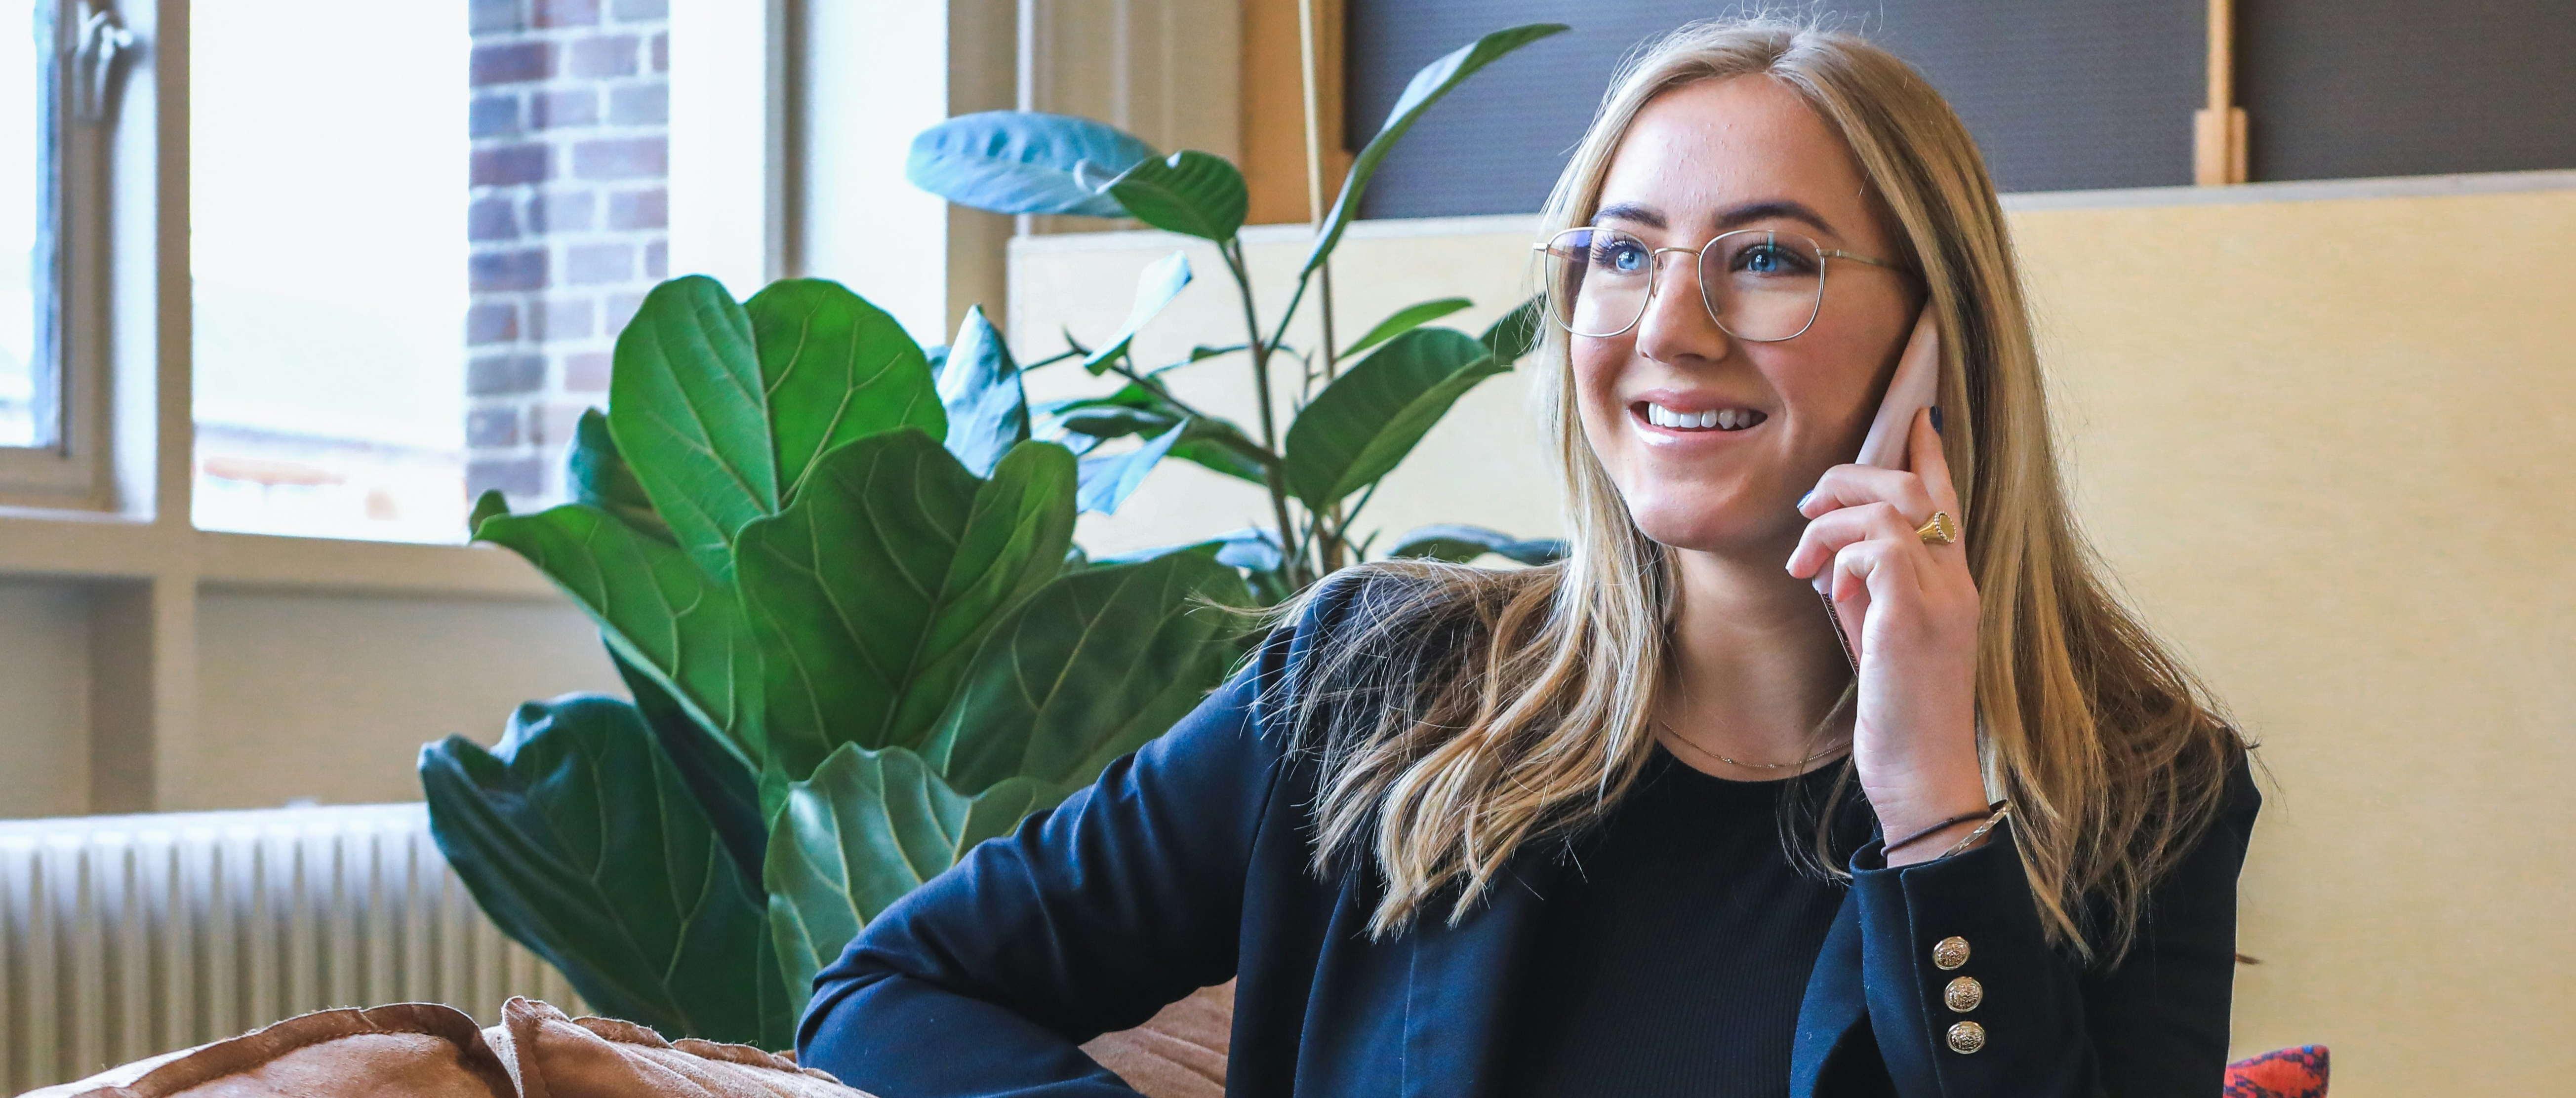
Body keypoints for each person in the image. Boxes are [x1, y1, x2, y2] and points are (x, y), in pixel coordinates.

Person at [798, 16, 2258, 1098]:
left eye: (1765, 259)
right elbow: (889, 991)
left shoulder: (2141, 787)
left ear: (1938, 333)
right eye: (1618, 256)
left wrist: (1933, 805)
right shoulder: (1368, 687)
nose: (1666, 330)